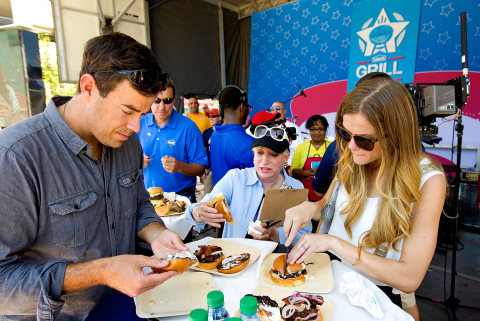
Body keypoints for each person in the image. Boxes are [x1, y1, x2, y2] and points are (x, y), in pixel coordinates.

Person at [0, 33, 190, 320]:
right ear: (89, 87)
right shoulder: (16, 157)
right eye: (127, 110)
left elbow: (138, 203)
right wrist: (102, 271)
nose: (137, 127)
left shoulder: (127, 142)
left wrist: (156, 233)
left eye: (143, 112)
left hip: (127, 307)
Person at [283, 78, 446, 314]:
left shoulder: (427, 180)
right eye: (344, 133)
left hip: (376, 298)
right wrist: (308, 209)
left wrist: (335, 244)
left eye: (364, 140)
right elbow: (327, 207)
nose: (350, 146)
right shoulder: (353, 157)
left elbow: (409, 277)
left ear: (396, 134)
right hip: (330, 285)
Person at [186, 127, 312, 245]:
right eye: (260, 153)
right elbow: (193, 212)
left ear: (286, 158)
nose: (265, 160)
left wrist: (275, 234)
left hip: (272, 263)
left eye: (273, 154)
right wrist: (200, 211)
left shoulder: (296, 188)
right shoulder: (235, 178)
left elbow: (304, 234)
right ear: (253, 155)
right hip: (233, 259)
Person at [140, 80, 208, 203]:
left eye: (167, 101)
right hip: (147, 197)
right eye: (156, 100)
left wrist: (180, 166)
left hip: (180, 197)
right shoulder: (139, 123)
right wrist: (136, 160)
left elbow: (201, 168)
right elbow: (122, 158)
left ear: (174, 99)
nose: (161, 107)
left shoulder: (189, 127)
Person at [210, 86, 253, 186]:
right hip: (239, 201)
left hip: (219, 199)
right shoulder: (248, 144)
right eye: (248, 106)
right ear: (242, 107)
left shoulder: (215, 134)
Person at [290, 115, 332, 202]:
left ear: (326, 130)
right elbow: (293, 171)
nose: (317, 133)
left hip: (328, 196)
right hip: (305, 196)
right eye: (313, 129)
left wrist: (324, 174)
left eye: (321, 129)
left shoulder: (333, 147)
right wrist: (307, 173)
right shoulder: (301, 148)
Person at [269, 101, 304, 166]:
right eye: (273, 109)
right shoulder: (265, 127)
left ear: (284, 111)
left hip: (287, 166)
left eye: (278, 108)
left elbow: (300, 150)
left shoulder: (293, 127)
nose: (275, 110)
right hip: (270, 165)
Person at [202, 108, 222, 194]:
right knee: (208, 193)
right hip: (209, 168)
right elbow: (203, 151)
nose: (210, 118)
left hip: (222, 167)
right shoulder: (206, 132)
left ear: (220, 117)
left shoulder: (224, 130)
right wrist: (204, 167)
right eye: (209, 117)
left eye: (213, 116)